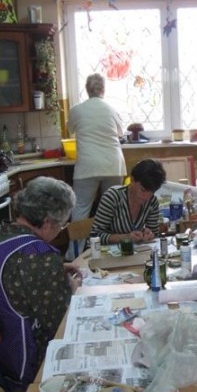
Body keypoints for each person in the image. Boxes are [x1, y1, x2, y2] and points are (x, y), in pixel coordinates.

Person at [0, 176, 81, 392]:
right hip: (22, 359)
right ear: (47, 222)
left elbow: (12, 278)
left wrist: (53, 273)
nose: (60, 229)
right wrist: (73, 290)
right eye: (62, 224)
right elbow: (61, 322)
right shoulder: (38, 255)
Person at [65, 73, 127, 258]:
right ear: (103, 89)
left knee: (81, 209)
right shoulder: (111, 109)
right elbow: (120, 133)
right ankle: (114, 250)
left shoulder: (77, 110)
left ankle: (74, 254)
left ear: (87, 89)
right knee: (114, 208)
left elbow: (70, 130)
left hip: (88, 165)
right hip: (112, 164)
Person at [91, 159, 166, 245]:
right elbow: (95, 236)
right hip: (108, 251)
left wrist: (149, 235)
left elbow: (154, 234)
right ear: (132, 180)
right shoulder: (113, 197)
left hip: (135, 251)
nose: (146, 197)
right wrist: (126, 237)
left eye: (152, 192)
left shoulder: (152, 202)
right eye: (143, 190)